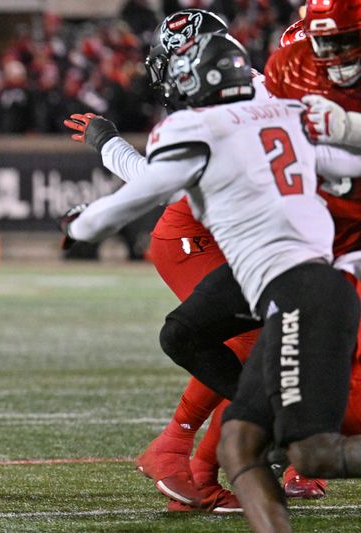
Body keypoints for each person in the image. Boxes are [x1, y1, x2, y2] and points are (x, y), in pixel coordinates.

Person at [61, 33, 361, 533]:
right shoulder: (289, 110)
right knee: (194, 345)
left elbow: (148, 185)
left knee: (298, 444)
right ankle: (231, 438)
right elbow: (338, 163)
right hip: (267, 268)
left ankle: (226, 446)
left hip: (294, 275)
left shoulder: (220, 118)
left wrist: (81, 222)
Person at [68, 9, 257, 513]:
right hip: (192, 235)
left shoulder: (254, 99)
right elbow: (160, 182)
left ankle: (182, 456)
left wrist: (107, 145)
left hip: (222, 233)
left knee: (260, 350)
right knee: (256, 353)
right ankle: (192, 464)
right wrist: (107, 152)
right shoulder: (244, 99)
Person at [264, 0, 361, 496]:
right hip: (311, 226)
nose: (334, 55)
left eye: (346, 41)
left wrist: (345, 131)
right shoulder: (289, 59)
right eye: (325, 43)